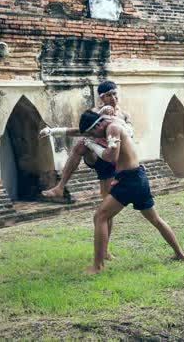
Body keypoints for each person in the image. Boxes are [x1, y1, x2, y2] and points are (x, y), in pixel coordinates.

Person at [79, 110, 184, 274]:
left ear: (98, 125)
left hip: (129, 180)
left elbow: (111, 157)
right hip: (137, 177)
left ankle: (97, 266)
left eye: (93, 133)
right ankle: (180, 254)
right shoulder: (112, 125)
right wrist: (54, 131)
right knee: (156, 219)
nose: (95, 136)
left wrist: (92, 145)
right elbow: (78, 131)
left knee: (100, 217)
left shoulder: (112, 129)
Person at [38, 81, 132, 259]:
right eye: (109, 95)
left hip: (113, 161)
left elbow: (129, 134)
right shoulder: (94, 113)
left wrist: (114, 119)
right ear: (101, 97)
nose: (113, 98)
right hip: (96, 157)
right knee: (81, 143)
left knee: (106, 209)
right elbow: (79, 131)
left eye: (115, 94)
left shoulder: (124, 115)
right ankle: (60, 186)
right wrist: (52, 131)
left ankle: (105, 250)